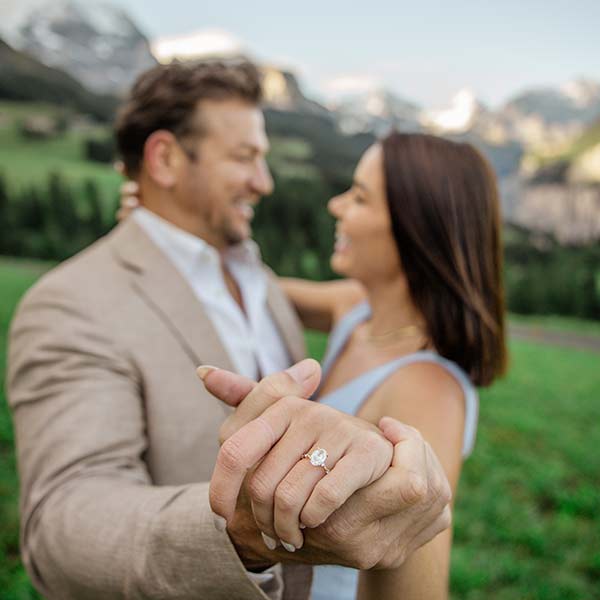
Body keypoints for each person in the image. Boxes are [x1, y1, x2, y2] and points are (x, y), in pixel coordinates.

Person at [7, 60, 451, 600]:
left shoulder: (258, 279)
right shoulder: (72, 301)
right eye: (245, 159)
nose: (264, 183)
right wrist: (238, 533)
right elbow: (62, 525)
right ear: (165, 159)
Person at [191, 132, 507, 599]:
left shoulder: (427, 388)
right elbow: (257, 285)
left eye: (359, 197)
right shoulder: (357, 309)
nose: (336, 206)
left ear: (413, 227)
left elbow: (416, 577)